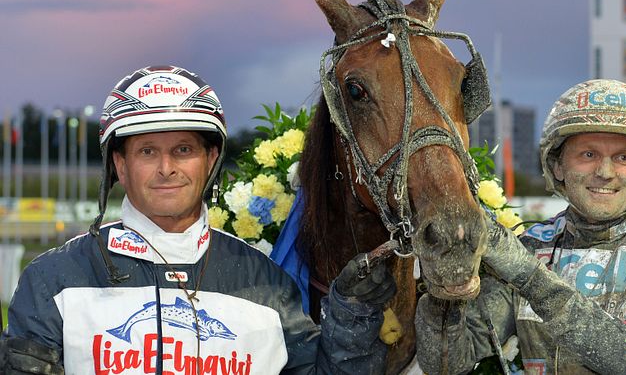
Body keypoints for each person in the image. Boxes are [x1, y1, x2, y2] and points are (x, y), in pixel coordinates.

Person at [0, 66, 395, 374]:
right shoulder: (52, 280)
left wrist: (351, 320)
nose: (167, 168)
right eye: (148, 151)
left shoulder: (270, 287)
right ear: (119, 165)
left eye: (184, 149)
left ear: (210, 160)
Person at [415, 79, 626, 374]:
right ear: (558, 166)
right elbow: (449, 363)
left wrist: (529, 275)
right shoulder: (532, 246)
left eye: (623, 157)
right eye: (588, 155)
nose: (605, 172)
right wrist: (443, 294)